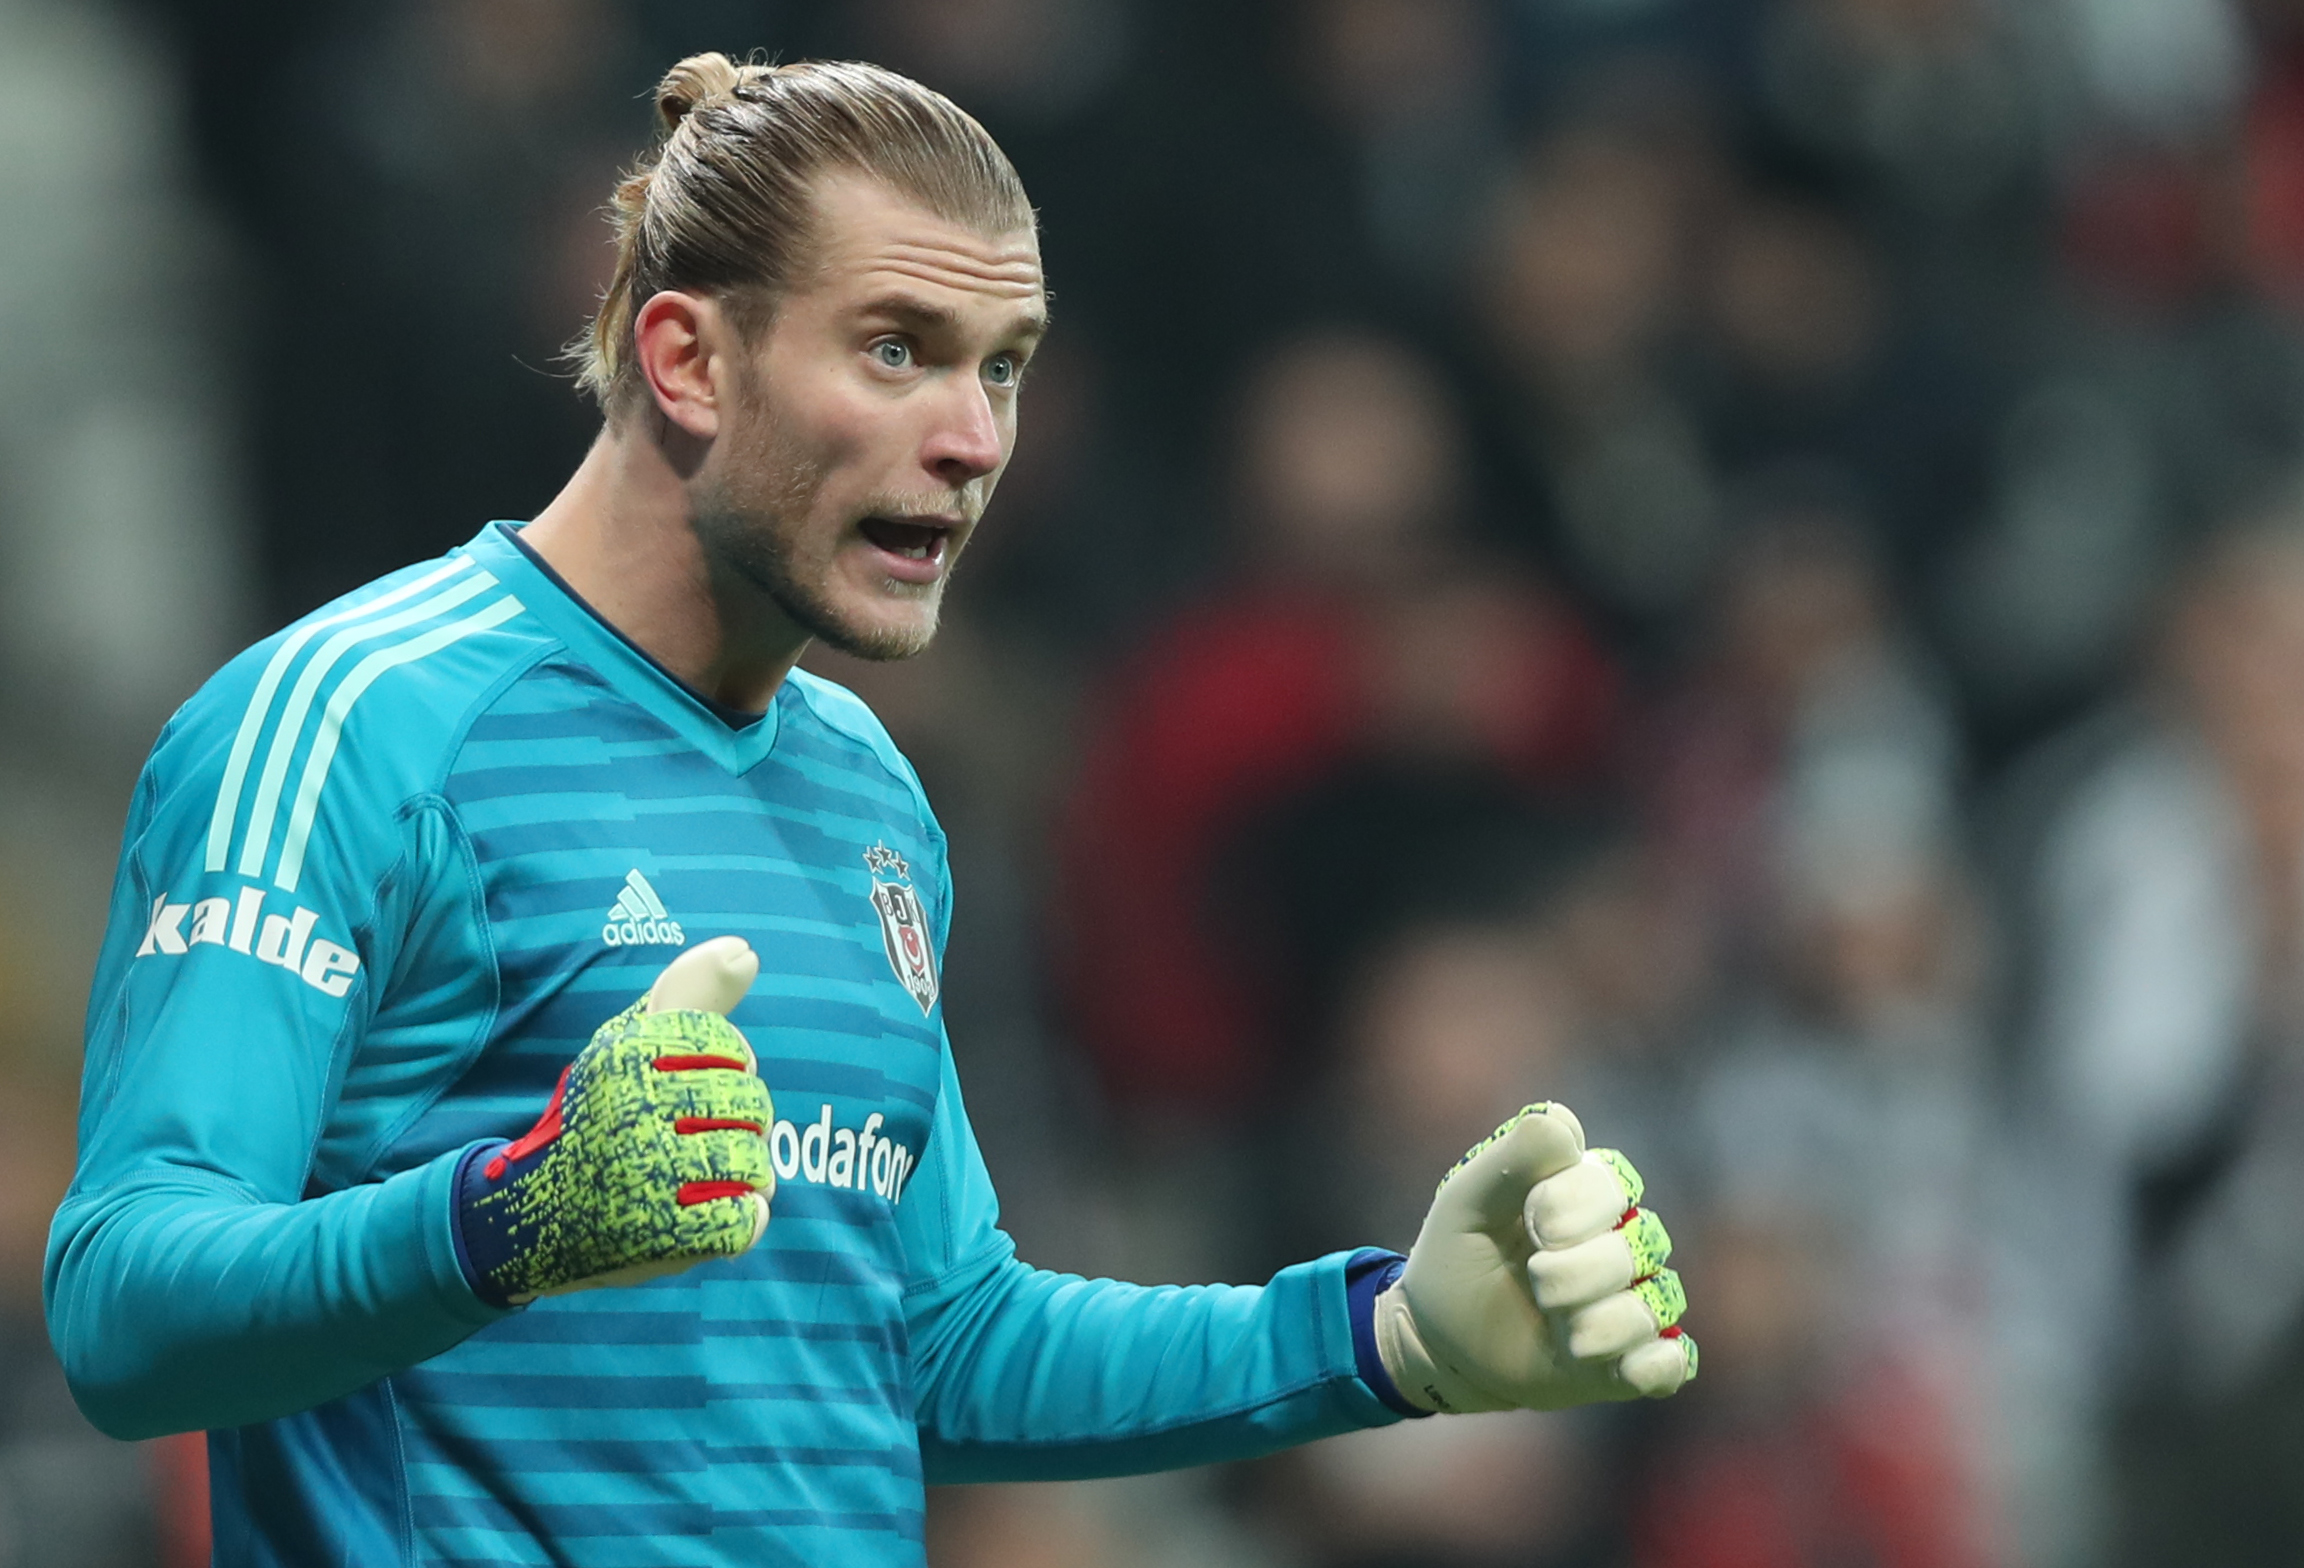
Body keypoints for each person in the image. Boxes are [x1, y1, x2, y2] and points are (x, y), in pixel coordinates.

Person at [44, 55, 1696, 1567]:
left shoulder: (867, 792)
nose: (975, 439)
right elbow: (124, 1310)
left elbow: (939, 1341)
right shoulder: (348, 723)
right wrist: (508, 1218)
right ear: (685, 355)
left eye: (1006, 368)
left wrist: (1383, 1342)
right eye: (898, 349)